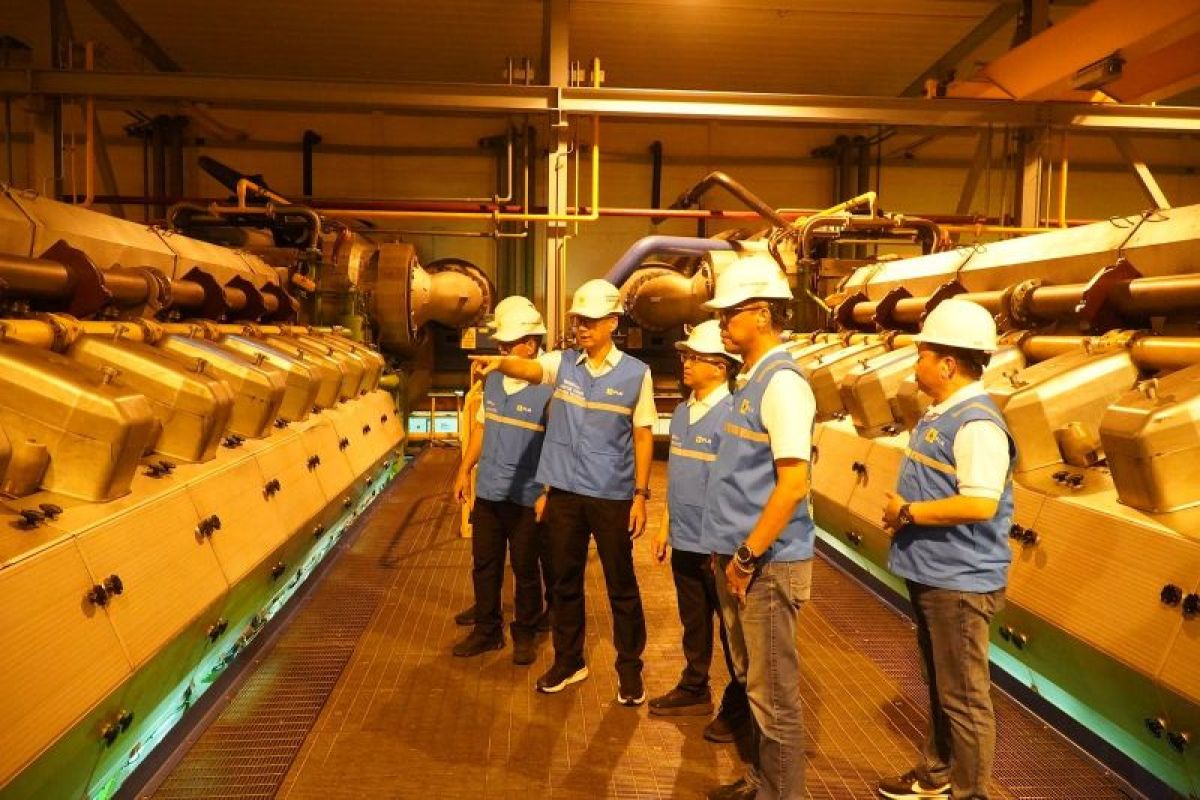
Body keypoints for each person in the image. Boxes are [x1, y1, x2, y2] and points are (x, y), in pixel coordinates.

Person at [471, 278, 655, 705]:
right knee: (564, 582)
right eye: (577, 320)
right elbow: (530, 369)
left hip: (610, 494)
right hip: (565, 494)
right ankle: (569, 661)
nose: (581, 328)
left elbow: (643, 436)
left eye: (590, 320)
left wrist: (640, 495)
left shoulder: (636, 374)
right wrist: (499, 363)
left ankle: (630, 669)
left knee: (621, 585)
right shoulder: (564, 363)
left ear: (612, 322)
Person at [877, 298, 1016, 800]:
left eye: (922, 356)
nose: (915, 365)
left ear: (948, 364)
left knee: (964, 698)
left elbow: (980, 503)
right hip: (935, 573)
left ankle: (970, 792)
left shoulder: (977, 424)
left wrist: (908, 513)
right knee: (941, 684)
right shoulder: (944, 413)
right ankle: (936, 773)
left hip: (960, 580)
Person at [699, 254, 815, 800]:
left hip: (767, 566)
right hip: (740, 560)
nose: (722, 322)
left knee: (774, 697)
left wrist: (745, 558)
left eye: (731, 313)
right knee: (754, 685)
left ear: (763, 314)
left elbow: (792, 485)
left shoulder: (783, 385)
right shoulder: (751, 380)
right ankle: (763, 780)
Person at [648, 320, 750, 733]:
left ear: (721, 367)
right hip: (685, 540)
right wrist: (665, 527)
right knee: (694, 622)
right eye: (685, 356)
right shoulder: (682, 412)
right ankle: (694, 686)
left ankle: (740, 704)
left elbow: (735, 488)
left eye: (695, 357)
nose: (686, 364)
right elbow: (679, 476)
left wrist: (728, 546)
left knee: (732, 631)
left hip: (717, 545)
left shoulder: (733, 416)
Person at [452, 301, 554, 665]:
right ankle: (487, 630)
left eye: (508, 345)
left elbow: (557, 445)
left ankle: (525, 632)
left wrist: (547, 492)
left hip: (527, 496)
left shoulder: (549, 389)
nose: (501, 351)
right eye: (500, 344)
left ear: (531, 344)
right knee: (485, 564)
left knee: (525, 569)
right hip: (490, 492)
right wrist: (464, 470)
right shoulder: (493, 381)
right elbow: (482, 427)